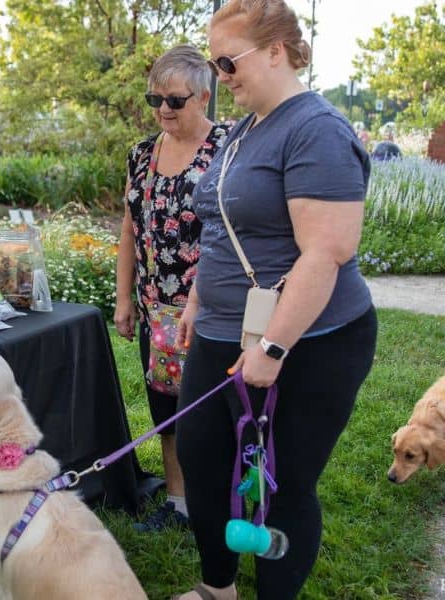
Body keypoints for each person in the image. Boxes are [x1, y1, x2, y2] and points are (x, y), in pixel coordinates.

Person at [173, 1, 377, 598]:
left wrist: (273, 345)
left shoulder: (317, 130)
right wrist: (196, 301)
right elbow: (222, 227)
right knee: (203, 463)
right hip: (223, 331)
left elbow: (326, 252)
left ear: (275, 51)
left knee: (281, 484)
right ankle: (218, 589)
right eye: (214, 65)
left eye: (227, 62)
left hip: (309, 341)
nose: (221, 77)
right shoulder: (246, 129)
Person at [114, 44, 229, 532]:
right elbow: (129, 228)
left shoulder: (228, 148)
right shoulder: (142, 153)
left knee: (213, 414)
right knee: (166, 410)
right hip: (155, 311)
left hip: (214, 311)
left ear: (203, 97)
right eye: (154, 99)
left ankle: (219, 501)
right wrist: (124, 298)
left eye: (175, 100)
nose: (163, 109)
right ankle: (179, 505)